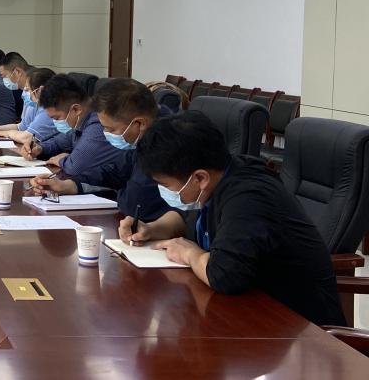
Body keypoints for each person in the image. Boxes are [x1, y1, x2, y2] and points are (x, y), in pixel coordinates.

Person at [124, 112, 344, 326]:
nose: (164, 191)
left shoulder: (249, 196)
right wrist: (152, 228)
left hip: (300, 329)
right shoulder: (221, 178)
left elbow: (224, 275)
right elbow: (187, 217)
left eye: (165, 185)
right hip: (251, 314)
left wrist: (190, 254)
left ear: (200, 178)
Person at [29, 78, 177, 223]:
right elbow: (115, 171)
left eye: (110, 129)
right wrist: (68, 185)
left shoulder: (166, 143)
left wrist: (119, 192)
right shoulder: (143, 136)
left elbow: (135, 203)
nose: (105, 134)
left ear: (139, 123)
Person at [24, 74, 126, 188]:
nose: (55, 122)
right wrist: (40, 148)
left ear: (76, 109)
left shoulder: (98, 123)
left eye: (57, 118)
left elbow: (75, 167)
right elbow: (60, 141)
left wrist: (63, 159)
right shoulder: (80, 120)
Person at [1, 67, 58, 145]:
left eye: (28, 89)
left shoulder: (49, 110)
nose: (25, 90)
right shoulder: (34, 105)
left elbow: (27, 137)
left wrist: (8, 133)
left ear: (40, 90)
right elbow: (21, 127)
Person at [0, 52, 32, 133]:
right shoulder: (25, 92)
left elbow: (31, 134)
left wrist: (7, 134)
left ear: (17, 72)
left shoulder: (34, 92)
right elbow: (22, 126)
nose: (3, 80)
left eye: (4, 76)